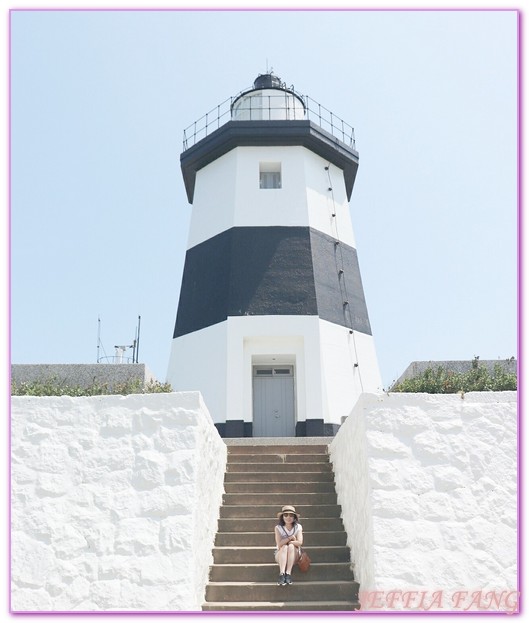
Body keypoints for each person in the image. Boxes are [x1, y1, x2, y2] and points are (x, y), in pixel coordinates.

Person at [274, 505, 303, 586]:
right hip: (280, 554)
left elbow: (300, 542)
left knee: (290, 546)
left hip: (295, 554)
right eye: (285, 515)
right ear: (282, 517)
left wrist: (289, 542)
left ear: (294, 517)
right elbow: (279, 545)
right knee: (284, 547)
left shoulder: (298, 527)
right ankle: (282, 574)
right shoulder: (278, 528)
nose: (288, 517)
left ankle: (288, 573)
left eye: (291, 515)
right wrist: (290, 538)